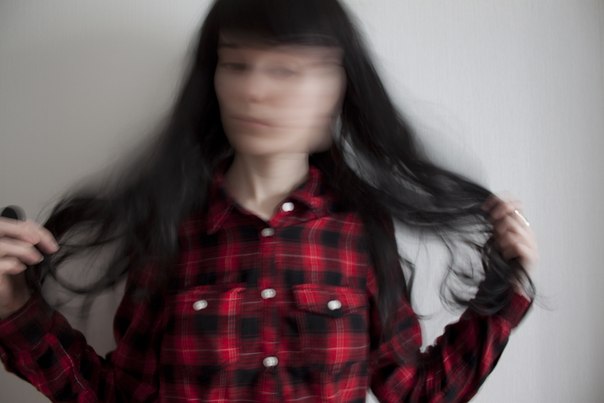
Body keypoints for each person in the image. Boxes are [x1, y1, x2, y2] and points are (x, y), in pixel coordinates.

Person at [0, 0, 538, 401]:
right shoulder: (170, 231)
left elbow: (416, 392)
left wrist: (505, 288)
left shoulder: (360, 233)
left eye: (287, 68)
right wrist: (13, 307)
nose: (254, 90)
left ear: (336, 87)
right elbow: (118, 396)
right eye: (236, 64)